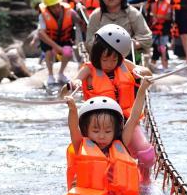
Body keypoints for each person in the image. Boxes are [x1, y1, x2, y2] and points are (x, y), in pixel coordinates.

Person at [64, 83, 154, 195]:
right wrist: (72, 109)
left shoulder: (120, 145)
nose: (102, 136)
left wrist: (141, 89)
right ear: (86, 130)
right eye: (96, 130)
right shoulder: (80, 145)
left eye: (107, 131)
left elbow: (134, 117)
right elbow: (73, 127)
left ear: (115, 131)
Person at [66, 25, 156, 184]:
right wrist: (75, 84)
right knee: (95, 156)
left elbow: (147, 73)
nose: (109, 63)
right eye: (105, 59)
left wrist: (141, 72)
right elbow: (77, 79)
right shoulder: (89, 69)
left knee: (147, 156)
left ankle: (145, 182)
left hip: (127, 121)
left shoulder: (124, 64)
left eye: (114, 59)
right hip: (99, 122)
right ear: (97, 55)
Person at [85, 0, 153, 60]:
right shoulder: (96, 15)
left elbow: (146, 37)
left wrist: (130, 45)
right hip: (102, 59)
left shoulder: (132, 13)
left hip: (128, 57)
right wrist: (106, 50)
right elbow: (89, 42)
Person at [38, 0, 81, 85]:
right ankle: (50, 75)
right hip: (49, 39)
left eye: (57, 5)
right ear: (48, 7)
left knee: (68, 51)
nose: (56, 8)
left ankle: (61, 73)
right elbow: (41, 33)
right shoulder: (42, 15)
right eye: (53, 7)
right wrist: (56, 47)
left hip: (64, 39)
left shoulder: (70, 12)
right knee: (48, 52)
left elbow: (81, 23)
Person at [148, 0, 172, 70]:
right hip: (154, 30)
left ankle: (165, 67)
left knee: (163, 48)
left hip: (164, 30)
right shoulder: (154, 4)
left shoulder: (169, 4)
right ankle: (152, 68)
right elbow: (152, 15)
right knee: (155, 49)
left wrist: (158, 16)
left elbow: (169, 17)